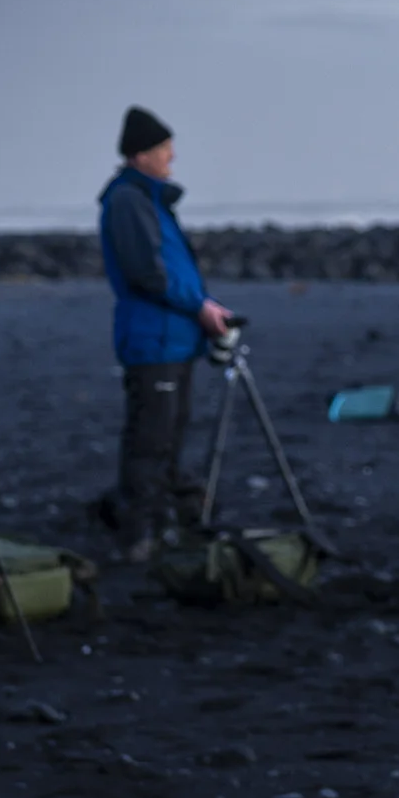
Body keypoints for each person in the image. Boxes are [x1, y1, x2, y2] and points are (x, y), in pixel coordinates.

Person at [97, 106, 233, 564]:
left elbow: (170, 269)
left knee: (167, 438)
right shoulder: (128, 201)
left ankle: (164, 525)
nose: (171, 158)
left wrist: (202, 307)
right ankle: (139, 535)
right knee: (151, 440)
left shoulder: (149, 200)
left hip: (174, 338)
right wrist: (200, 306)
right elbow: (147, 273)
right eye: (163, 150)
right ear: (140, 155)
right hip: (153, 340)